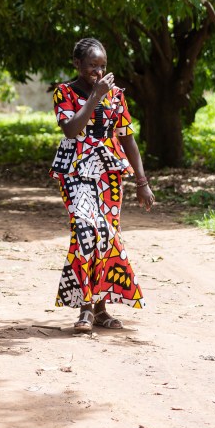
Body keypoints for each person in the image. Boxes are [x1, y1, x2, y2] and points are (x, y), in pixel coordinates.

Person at [49, 37, 155, 332]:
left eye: (102, 66)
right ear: (78, 64)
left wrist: (142, 182)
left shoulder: (117, 95)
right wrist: (95, 96)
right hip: (76, 171)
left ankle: (100, 308)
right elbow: (71, 129)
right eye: (92, 65)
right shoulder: (64, 93)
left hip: (109, 173)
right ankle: (84, 307)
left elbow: (127, 137)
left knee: (106, 236)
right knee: (85, 230)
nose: (98, 71)